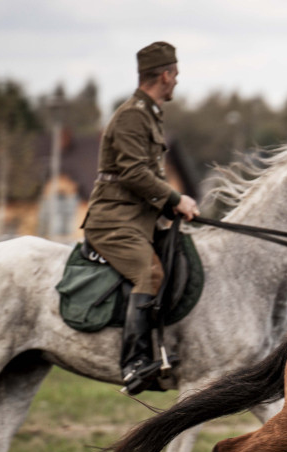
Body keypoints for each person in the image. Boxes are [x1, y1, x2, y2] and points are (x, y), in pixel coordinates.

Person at [82, 41, 200, 394]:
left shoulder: (149, 114)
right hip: (114, 221)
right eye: (175, 74)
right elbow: (134, 173)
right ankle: (133, 363)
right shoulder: (134, 115)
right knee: (150, 270)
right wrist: (176, 198)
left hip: (139, 219)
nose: (177, 81)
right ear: (164, 75)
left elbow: (148, 174)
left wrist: (171, 207)